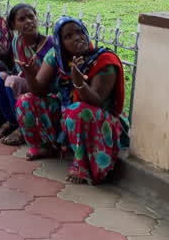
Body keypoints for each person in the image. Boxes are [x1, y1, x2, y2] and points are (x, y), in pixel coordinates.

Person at [15, 17, 129, 184]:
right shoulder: (56, 55)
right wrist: (30, 75)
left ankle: (83, 165)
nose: (77, 37)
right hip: (67, 113)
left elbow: (96, 100)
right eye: (68, 36)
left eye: (79, 32)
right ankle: (43, 147)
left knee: (77, 111)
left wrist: (78, 82)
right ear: (60, 42)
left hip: (100, 120)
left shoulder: (104, 60)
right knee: (26, 101)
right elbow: (38, 89)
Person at [0, 4, 53, 146]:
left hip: (44, 87)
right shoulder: (17, 42)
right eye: (22, 19)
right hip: (27, 81)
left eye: (31, 17)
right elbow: (22, 70)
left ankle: (23, 128)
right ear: (13, 24)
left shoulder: (50, 44)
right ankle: (12, 121)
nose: (28, 22)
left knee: (12, 82)